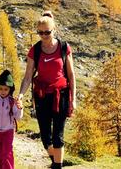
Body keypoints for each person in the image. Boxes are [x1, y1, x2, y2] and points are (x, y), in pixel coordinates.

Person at [16, 11, 76, 169]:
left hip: (60, 96)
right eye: (40, 32)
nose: (43, 35)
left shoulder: (64, 48)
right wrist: (21, 95)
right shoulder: (35, 50)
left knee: (58, 136)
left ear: (54, 29)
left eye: (47, 32)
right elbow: (28, 76)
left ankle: (58, 166)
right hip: (42, 97)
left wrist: (73, 99)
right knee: (45, 139)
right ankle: (56, 161)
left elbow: (71, 75)